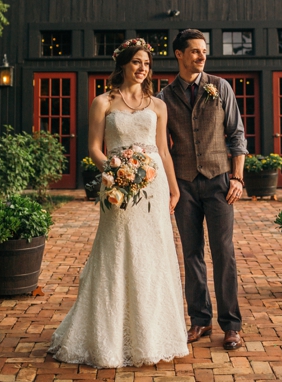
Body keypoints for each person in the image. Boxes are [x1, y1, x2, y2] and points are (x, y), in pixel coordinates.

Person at [48, 38, 189, 368]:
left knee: (152, 256)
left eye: (147, 64)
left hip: (152, 189)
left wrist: (174, 187)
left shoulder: (158, 105)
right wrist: (115, 171)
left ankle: (151, 336)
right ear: (123, 63)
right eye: (137, 62)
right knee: (115, 252)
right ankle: (108, 337)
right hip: (117, 188)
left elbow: (163, 150)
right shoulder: (103, 102)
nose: (142, 69)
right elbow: (94, 148)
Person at [157, 29, 247, 351]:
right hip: (183, 185)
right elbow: (159, 145)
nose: (201, 56)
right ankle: (200, 320)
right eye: (194, 51)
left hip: (219, 181)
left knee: (224, 253)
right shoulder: (164, 97)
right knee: (191, 253)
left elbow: (236, 135)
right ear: (179, 54)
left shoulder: (220, 87)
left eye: (204, 51)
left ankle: (231, 325)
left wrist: (237, 178)